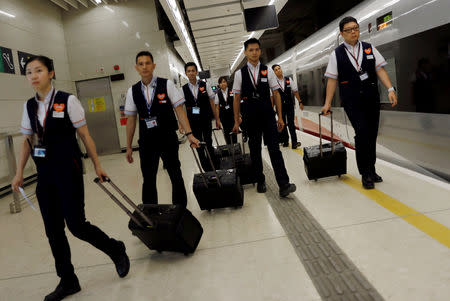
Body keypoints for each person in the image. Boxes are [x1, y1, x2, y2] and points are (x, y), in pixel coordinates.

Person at [11, 55, 130, 301]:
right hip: (45, 175)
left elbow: (85, 136)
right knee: (53, 231)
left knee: (76, 225)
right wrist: (19, 173)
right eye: (29, 72)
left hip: (69, 170)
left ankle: (115, 249)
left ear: (51, 73)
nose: (33, 76)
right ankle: (68, 280)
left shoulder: (68, 101)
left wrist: (98, 165)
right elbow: (27, 141)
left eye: (39, 70)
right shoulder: (29, 106)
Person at [321, 16, 398, 189]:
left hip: (371, 98)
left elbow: (380, 69)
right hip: (352, 100)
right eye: (349, 30)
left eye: (356, 28)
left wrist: (390, 89)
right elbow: (332, 80)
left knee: (371, 135)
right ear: (342, 34)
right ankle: (365, 174)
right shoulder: (337, 54)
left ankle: (371, 169)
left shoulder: (369, 49)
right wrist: (327, 103)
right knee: (362, 133)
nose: (354, 32)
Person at [125, 51, 200, 206]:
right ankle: (151, 215)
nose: (144, 66)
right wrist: (128, 146)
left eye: (147, 63)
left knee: (175, 174)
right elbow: (131, 119)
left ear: (154, 66)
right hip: (146, 141)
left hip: (167, 138)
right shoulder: (132, 91)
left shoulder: (166, 84)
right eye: (141, 64)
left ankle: (180, 211)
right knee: (148, 178)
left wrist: (189, 134)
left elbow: (179, 110)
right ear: (136, 67)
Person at [232, 38, 296, 197]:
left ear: (260, 51)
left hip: (268, 115)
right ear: (246, 53)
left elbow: (276, 93)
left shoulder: (268, 71)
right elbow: (235, 98)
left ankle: (284, 184)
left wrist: (280, 117)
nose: (254, 52)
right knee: (255, 151)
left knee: (275, 150)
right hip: (250, 117)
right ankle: (260, 180)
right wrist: (236, 119)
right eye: (251, 50)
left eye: (257, 49)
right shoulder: (239, 74)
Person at [181, 62, 220, 171]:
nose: (191, 73)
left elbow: (212, 102)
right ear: (186, 73)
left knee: (208, 141)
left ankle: (214, 166)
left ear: (196, 72)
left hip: (206, 119)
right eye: (189, 71)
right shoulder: (183, 89)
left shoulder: (204, 85)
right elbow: (181, 108)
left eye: (193, 70)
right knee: (198, 144)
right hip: (192, 122)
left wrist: (217, 119)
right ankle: (206, 169)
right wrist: (181, 124)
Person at [271, 64, 304, 149]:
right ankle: (285, 141)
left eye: (279, 68)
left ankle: (294, 142)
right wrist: (272, 108)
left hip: (289, 105)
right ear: (274, 72)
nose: (278, 70)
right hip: (279, 107)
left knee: (291, 124)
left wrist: (300, 101)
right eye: (276, 69)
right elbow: (272, 96)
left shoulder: (288, 80)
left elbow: (295, 91)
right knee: (282, 123)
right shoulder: (273, 83)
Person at [215, 76, 237, 145]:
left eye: (224, 82)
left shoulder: (232, 91)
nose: (222, 84)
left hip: (232, 115)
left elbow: (236, 104)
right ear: (219, 85)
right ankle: (229, 147)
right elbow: (217, 108)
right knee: (226, 132)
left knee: (234, 131)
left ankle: (235, 147)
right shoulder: (217, 94)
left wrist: (238, 115)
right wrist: (217, 120)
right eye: (220, 82)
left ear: (227, 83)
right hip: (223, 117)